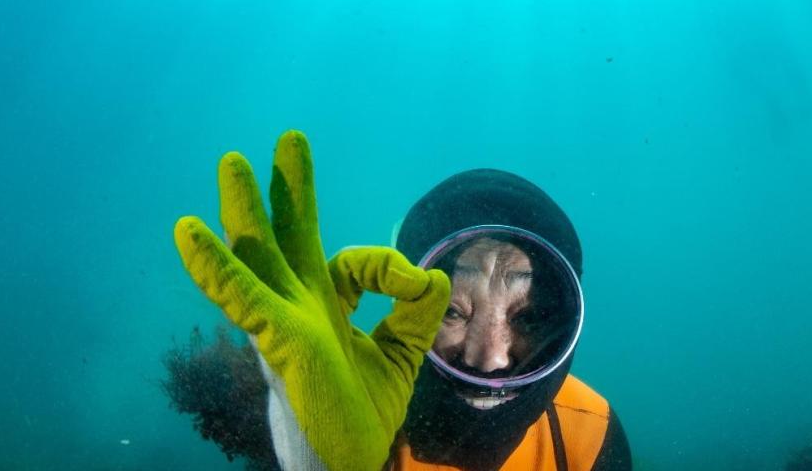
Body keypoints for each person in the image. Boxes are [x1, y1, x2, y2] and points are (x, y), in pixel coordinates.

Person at [170, 130, 631, 471]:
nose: (488, 359)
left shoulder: (588, 434)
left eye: (526, 318)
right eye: (452, 311)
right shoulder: (340, 400)